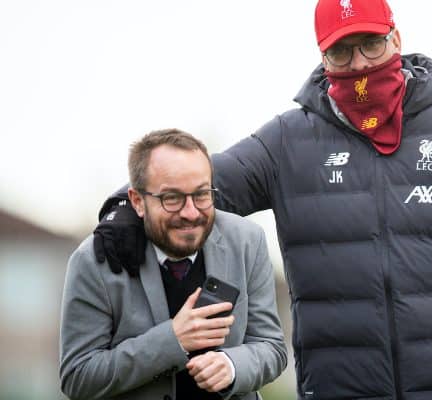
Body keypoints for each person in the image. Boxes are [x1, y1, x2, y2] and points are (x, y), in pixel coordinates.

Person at [91, 0, 432, 399]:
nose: (358, 64)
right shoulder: (288, 143)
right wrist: (123, 209)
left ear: (397, 39)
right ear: (322, 56)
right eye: (340, 50)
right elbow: (199, 182)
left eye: (370, 44)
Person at [60, 129, 287, 400]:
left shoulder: (248, 241)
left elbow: (271, 348)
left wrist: (232, 365)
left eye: (201, 195)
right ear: (137, 201)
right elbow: (78, 377)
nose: (191, 212)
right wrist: (172, 340)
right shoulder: (93, 261)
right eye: (172, 198)